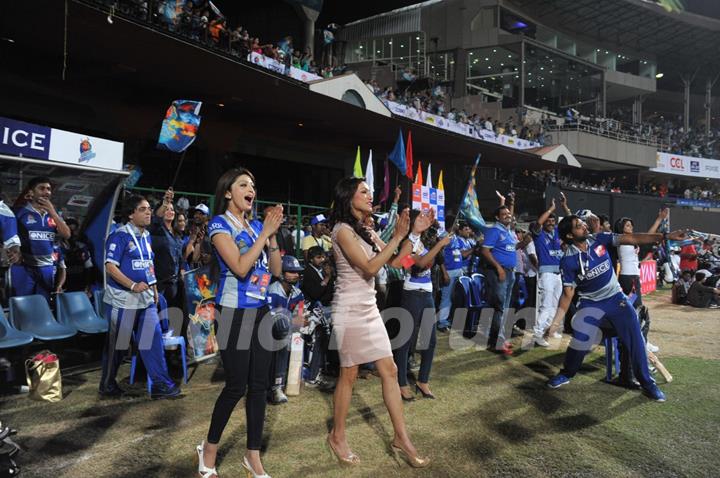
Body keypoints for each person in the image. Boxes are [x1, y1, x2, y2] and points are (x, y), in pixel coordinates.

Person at [326, 177, 429, 468]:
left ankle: (401, 436)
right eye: (364, 192)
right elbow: (371, 267)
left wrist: (414, 235)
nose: (370, 196)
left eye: (370, 192)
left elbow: (397, 263)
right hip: (349, 309)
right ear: (348, 198)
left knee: (391, 369)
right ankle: (337, 436)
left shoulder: (367, 231)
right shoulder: (342, 231)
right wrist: (397, 236)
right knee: (349, 374)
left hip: (369, 308)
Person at [544, 215, 688, 402]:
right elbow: (567, 294)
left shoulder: (599, 239)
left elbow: (633, 238)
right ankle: (567, 373)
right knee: (580, 339)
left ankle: (647, 383)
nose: (584, 226)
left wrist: (665, 236)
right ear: (570, 236)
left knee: (635, 339)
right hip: (591, 304)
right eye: (578, 226)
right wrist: (556, 323)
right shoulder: (568, 261)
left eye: (582, 223)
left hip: (616, 299)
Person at [197, 168, 282, 478]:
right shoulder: (219, 225)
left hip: (260, 310)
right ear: (228, 192)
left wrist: (271, 237)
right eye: (244, 184)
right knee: (236, 386)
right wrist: (262, 234)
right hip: (234, 312)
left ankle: (253, 455)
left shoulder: (257, 225)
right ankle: (208, 448)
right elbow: (241, 267)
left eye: (253, 184)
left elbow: (273, 270)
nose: (251, 190)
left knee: (259, 386)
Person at [100, 195, 180, 400]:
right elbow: (110, 267)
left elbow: (148, 266)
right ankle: (107, 384)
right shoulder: (119, 236)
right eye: (143, 209)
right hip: (123, 301)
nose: (148, 212)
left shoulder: (145, 236)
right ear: (130, 214)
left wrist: (153, 291)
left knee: (152, 341)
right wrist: (133, 285)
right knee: (118, 347)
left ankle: (161, 385)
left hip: (145, 301)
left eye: (148, 209)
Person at [391, 209, 450, 401]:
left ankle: (423, 380)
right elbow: (421, 263)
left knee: (430, 340)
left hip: (427, 294)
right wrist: (440, 245)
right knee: (406, 340)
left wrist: (431, 249)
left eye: (426, 217)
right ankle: (401, 383)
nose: (424, 219)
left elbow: (425, 263)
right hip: (412, 294)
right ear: (411, 223)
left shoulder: (421, 242)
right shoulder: (408, 243)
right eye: (420, 217)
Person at [12, 177, 71, 300]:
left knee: (42, 304)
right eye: (42, 188)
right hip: (24, 267)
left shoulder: (54, 215)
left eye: (49, 189)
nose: (46, 192)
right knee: (21, 305)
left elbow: (67, 235)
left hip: (46, 268)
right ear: (31, 192)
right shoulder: (18, 213)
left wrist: (53, 212)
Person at [531, 194, 571, 346]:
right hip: (546, 274)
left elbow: (571, 222)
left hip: (559, 274)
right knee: (546, 305)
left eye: (553, 221)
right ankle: (538, 334)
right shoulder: (539, 235)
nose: (550, 223)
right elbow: (537, 223)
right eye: (548, 221)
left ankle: (548, 331)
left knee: (555, 305)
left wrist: (564, 207)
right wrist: (551, 209)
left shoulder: (558, 233)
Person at [267, 255, 305, 405]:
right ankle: (276, 387)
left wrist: (303, 319)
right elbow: (270, 319)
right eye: (291, 271)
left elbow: (300, 313)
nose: (296, 274)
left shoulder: (297, 292)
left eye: (297, 272)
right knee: (283, 331)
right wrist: (292, 320)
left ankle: (300, 376)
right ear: (282, 273)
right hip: (268, 334)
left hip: (289, 331)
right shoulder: (272, 290)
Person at [613, 208, 667, 306]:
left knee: (628, 304)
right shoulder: (622, 239)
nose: (631, 227)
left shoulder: (629, 239)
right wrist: (659, 219)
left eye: (631, 225)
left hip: (632, 276)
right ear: (621, 228)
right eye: (628, 225)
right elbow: (648, 236)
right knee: (636, 305)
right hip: (629, 277)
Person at [437, 222, 474, 331]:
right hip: (449, 271)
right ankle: (442, 323)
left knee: (457, 298)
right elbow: (439, 255)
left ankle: (451, 320)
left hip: (459, 272)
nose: (458, 225)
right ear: (451, 223)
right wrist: (444, 272)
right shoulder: (444, 236)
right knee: (446, 298)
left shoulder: (456, 238)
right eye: (456, 222)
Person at [60, 218, 95, 294]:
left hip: (79, 281)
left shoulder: (81, 246)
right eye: (69, 229)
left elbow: (88, 266)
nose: (72, 233)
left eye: (74, 230)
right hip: (62, 282)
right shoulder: (57, 246)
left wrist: (88, 284)